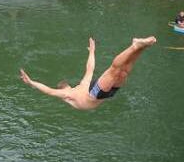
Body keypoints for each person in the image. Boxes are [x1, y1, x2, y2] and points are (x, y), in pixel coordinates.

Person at [19, 36, 157, 110]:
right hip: (101, 94)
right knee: (123, 72)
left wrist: (31, 82)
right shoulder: (81, 85)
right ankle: (140, 47)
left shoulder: (68, 94)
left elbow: (49, 91)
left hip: (97, 95)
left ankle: (135, 46)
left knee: (117, 71)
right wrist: (92, 51)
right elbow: (90, 68)